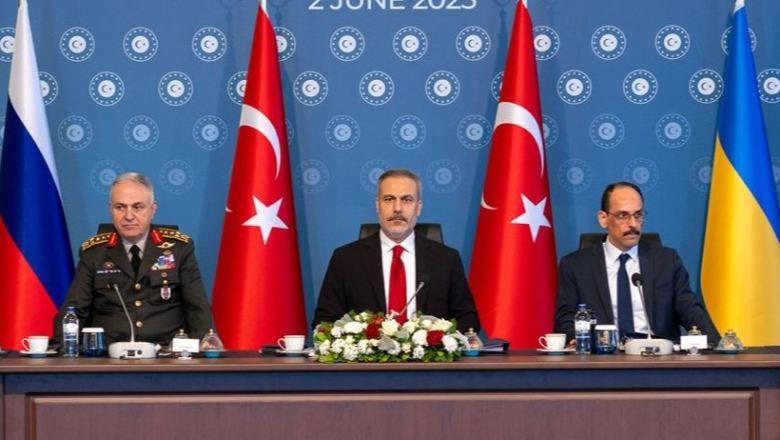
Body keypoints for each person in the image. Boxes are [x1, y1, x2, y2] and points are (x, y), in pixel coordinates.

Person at [53, 173, 212, 346]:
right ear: (110, 209)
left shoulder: (178, 248)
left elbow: (197, 309)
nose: (129, 216)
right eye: (120, 207)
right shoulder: (94, 252)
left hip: (166, 352)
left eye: (138, 207)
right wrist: (64, 351)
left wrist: (202, 350)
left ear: (153, 209)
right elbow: (75, 310)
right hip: (109, 354)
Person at [313, 168, 480, 332]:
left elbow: (468, 319)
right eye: (388, 199)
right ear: (377, 205)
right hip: (367, 351)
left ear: (418, 207)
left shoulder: (446, 259)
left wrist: (439, 338)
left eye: (407, 200)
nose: (397, 208)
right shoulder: (346, 260)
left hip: (429, 351)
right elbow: (325, 321)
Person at [554, 181, 719, 343]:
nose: (633, 224)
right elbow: (565, 320)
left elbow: (690, 310)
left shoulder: (667, 261)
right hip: (602, 356)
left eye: (638, 215)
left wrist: (717, 343)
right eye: (623, 215)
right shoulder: (576, 266)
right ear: (603, 218)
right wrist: (578, 339)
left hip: (657, 356)